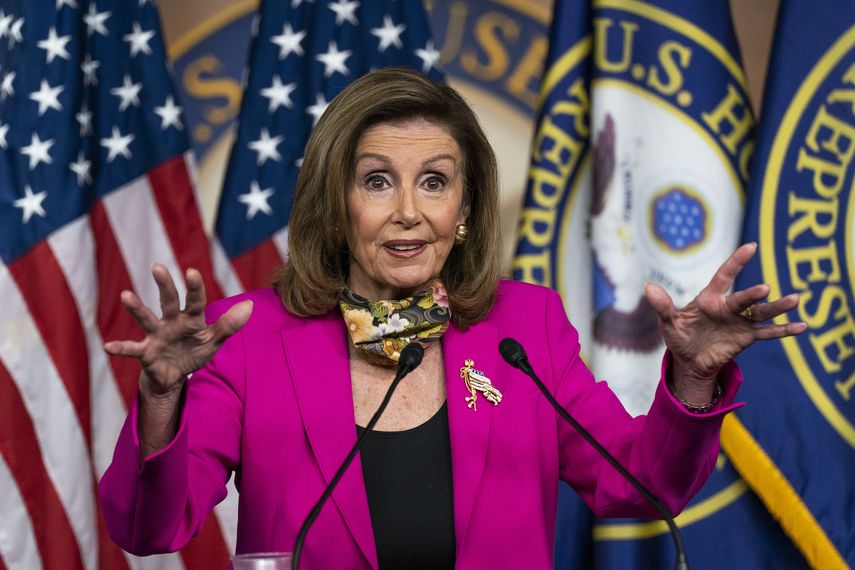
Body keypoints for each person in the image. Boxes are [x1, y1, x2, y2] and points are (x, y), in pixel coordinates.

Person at [98, 67, 806, 569]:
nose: (409, 211)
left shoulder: (523, 327)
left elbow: (641, 483)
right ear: (335, 206)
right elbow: (148, 529)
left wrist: (691, 377)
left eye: (434, 182)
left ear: (464, 209)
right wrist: (161, 398)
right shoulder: (250, 336)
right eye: (377, 181)